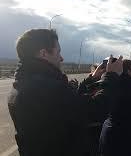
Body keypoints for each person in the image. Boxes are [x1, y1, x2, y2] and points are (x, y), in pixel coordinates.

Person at [7, 28, 122, 156]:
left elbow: (69, 105)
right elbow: (95, 109)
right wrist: (111, 76)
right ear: (43, 53)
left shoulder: (25, 83)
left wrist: (91, 79)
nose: (61, 58)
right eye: (58, 52)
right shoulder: (47, 88)